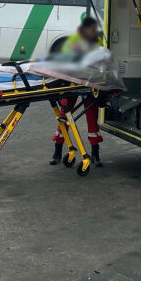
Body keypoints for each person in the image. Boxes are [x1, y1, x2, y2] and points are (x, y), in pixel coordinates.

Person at [50, 16, 105, 168]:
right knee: (64, 117)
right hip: (71, 84)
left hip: (89, 84)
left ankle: (95, 154)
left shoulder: (97, 42)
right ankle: (57, 151)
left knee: (92, 119)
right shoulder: (73, 41)